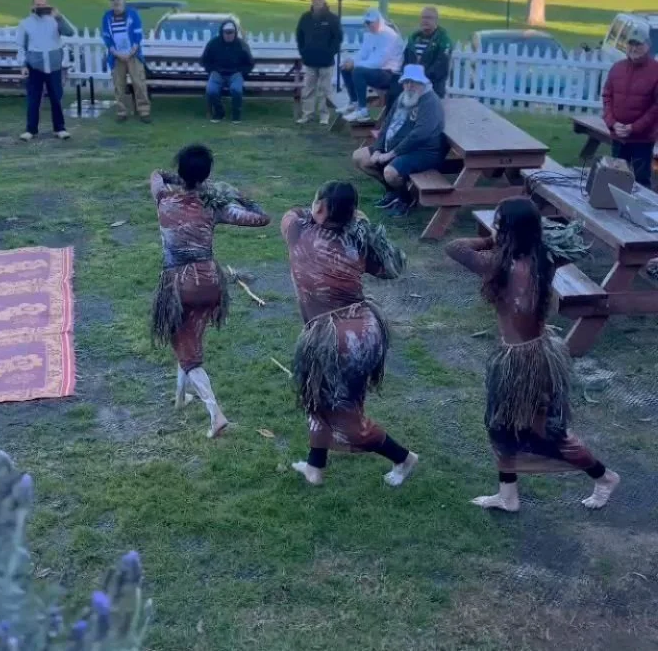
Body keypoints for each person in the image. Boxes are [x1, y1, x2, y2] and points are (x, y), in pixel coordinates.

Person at [445, 197, 620, 513]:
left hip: (527, 362)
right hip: (529, 354)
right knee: (501, 425)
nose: (495, 230)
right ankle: (508, 496)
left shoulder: (497, 263)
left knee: (547, 432)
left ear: (509, 231)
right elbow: (579, 245)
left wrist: (488, 239)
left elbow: (455, 248)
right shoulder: (544, 257)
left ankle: (604, 476)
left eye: (499, 225)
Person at [283, 181, 418, 488]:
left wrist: (326, 211)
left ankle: (404, 458)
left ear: (319, 208)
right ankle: (315, 467)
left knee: (349, 421)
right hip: (361, 331)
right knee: (317, 396)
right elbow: (392, 268)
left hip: (342, 341)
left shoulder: (297, 231)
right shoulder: (356, 242)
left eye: (317, 202)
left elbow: (292, 212)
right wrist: (359, 226)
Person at [150, 145, 270, 438]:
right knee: (188, 339)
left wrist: (179, 178)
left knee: (188, 354)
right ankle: (180, 398)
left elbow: (156, 175)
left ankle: (215, 413)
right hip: (209, 282)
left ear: (180, 173)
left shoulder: (163, 198)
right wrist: (234, 194)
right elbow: (261, 217)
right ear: (207, 176)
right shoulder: (214, 205)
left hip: (178, 284)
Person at [352, 65, 445, 217]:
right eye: (406, 82)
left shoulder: (429, 102)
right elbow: (386, 125)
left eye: (414, 82)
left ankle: (406, 200)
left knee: (390, 172)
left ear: (422, 83)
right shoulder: (403, 97)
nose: (409, 86)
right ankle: (393, 192)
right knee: (359, 157)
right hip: (398, 147)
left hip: (424, 152)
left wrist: (391, 154)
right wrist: (377, 150)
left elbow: (419, 135)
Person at [602, 22, 658, 188]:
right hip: (618, 136)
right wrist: (613, 123)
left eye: (638, 44)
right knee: (615, 178)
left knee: (640, 181)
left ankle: (642, 213)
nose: (634, 48)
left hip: (642, 139)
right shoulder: (617, 68)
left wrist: (634, 127)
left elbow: (656, 107)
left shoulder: (655, 71)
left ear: (647, 46)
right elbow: (607, 98)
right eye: (631, 44)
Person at [16, 0, 76, 141]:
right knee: (33, 99)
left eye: (44, 5)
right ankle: (31, 130)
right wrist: (23, 64)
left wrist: (59, 17)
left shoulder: (55, 20)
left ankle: (59, 128)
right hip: (35, 67)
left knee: (56, 98)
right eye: (38, 5)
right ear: (32, 6)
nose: (41, 7)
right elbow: (21, 46)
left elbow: (70, 32)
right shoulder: (26, 23)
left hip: (54, 66)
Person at [340, 9, 403, 123]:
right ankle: (354, 102)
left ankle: (363, 110)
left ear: (379, 21)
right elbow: (362, 54)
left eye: (371, 23)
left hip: (390, 74)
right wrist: (351, 61)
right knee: (344, 67)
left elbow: (379, 62)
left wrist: (354, 64)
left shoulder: (389, 36)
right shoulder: (369, 34)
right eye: (367, 23)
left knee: (358, 71)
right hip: (377, 70)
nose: (369, 25)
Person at [101, 0, 151, 124]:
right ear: (110, 2)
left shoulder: (132, 14)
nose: (116, 1)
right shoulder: (107, 17)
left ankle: (144, 111)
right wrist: (117, 54)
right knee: (119, 85)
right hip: (117, 56)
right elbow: (106, 38)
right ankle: (121, 112)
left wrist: (130, 53)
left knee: (139, 83)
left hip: (133, 55)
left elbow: (138, 35)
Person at [295, 0, 343, 126]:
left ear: (324, 0)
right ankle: (307, 114)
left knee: (325, 90)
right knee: (308, 89)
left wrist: (330, 52)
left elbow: (338, 38)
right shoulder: (305, 18)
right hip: (309, 61)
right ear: (311, 0)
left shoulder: (332, 19)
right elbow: (299, 37)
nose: (317, 2)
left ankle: (324, 116)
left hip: (326, 62)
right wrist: (303, 52)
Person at [201, 20, 254, 123]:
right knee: (211, 90)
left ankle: (236, 114)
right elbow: (204, 60)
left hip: (235, 74)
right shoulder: (213, 44)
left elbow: (250, 63)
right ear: (222, 32)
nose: (229, 35)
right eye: (227, 32)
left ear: (235, 33)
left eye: (231, 32)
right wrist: (212, 70)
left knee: (237, 90)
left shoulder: (242, 45)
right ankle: (219, 112)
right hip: (217, 74)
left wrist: (241, 72)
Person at [403, 6, 453, 99]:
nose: (425, 21)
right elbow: (405, 61)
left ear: (436, 21)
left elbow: (441, 67)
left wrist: (420, 78)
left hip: (433, 87)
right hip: (410, 85)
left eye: (429, 18)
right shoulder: (413, 39)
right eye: (423, 17)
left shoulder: (443, 41)